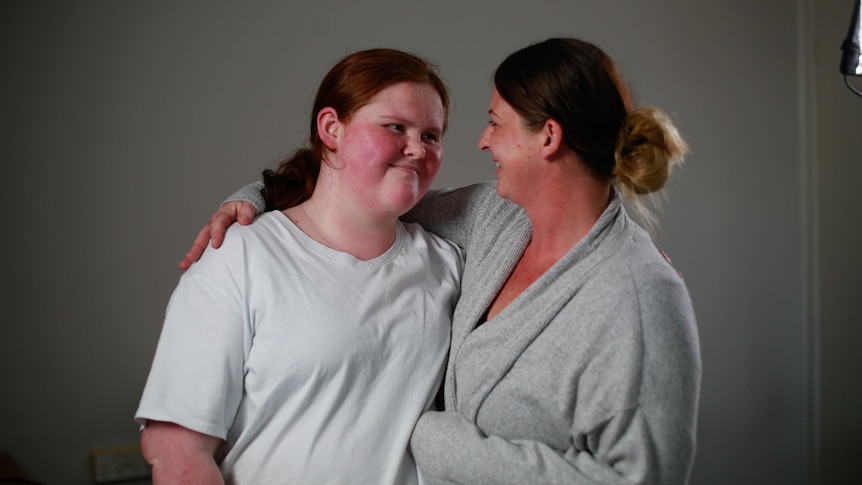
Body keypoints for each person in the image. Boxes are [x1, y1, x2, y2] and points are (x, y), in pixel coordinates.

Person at [184, 38, 701, 484]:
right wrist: (252, 199)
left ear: (548, 136)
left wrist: (438, 442)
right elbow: (352, 198)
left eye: (495, 123)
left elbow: (640, 478)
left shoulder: (638, 293)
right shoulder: (493, 220)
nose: (482, 141)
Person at [135, 48, 464, 484]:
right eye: (395, 127)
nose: (416, 149)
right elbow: (177, 453)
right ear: (331, 128)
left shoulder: (449, 265)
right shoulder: (241, 256)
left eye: (431, 136)